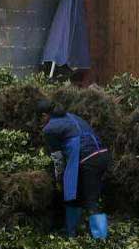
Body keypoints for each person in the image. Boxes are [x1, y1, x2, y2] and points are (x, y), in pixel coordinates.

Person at [37, 99, 110, 238]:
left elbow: (57, 158)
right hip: (102, 155)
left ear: (44, 115)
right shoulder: (72, 116)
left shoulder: (49, 129)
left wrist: (59, 178)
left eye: (40, 117)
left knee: (90, 200)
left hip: (89, 159)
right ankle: (71, 232)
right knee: (74, 195)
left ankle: (101, 239)